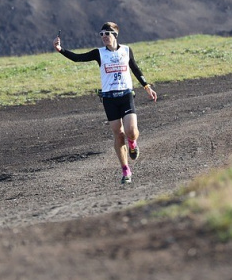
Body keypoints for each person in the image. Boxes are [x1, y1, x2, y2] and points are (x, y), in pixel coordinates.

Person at [54, 22, 157, 184]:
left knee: (131, 131)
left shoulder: (126, 50)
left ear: (115, 35)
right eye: (101, 34)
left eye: (107, 34)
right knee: (119, 134)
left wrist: (147, 86)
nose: (104, 37)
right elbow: (78, 58)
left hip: (126, 95)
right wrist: (61, 50)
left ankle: (132, 143)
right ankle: (125, 170)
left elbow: (135, 68)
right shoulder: (98, 53)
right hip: (109, 98)